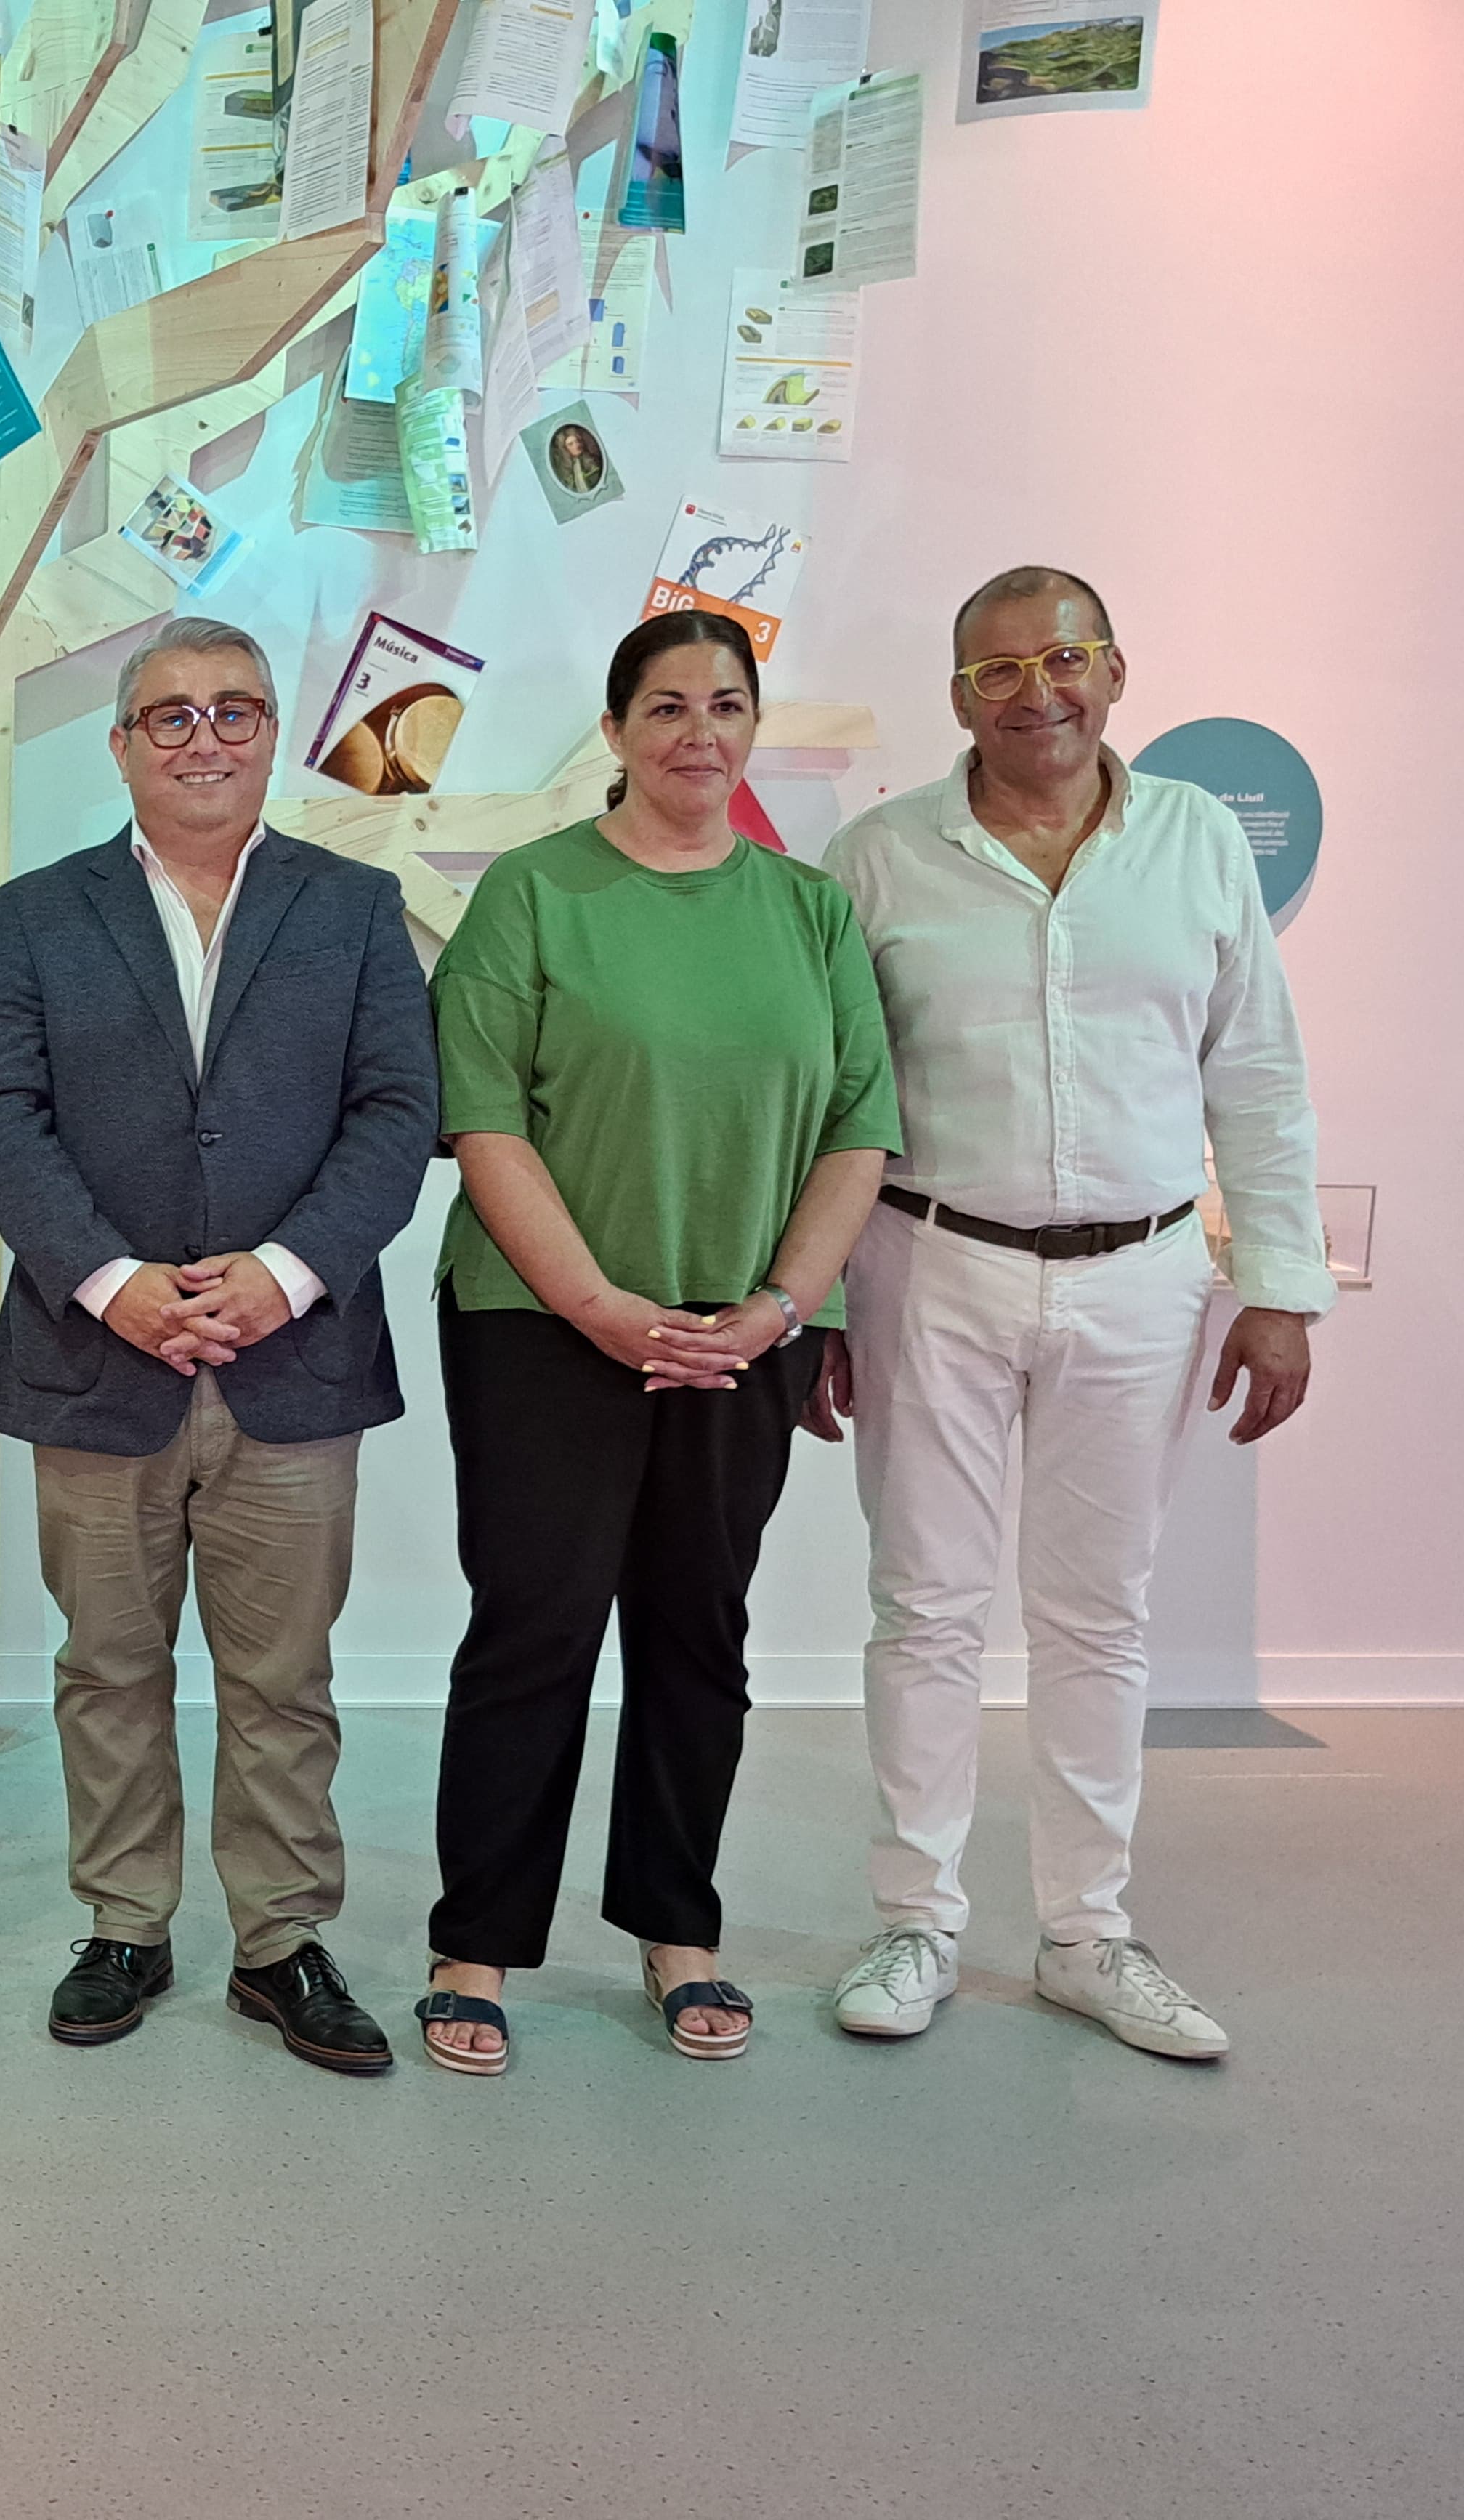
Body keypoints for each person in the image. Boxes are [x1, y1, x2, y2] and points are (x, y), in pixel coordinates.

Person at [812, 568, 1331, 2061]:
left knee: (1100, 1614)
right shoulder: (878, 858)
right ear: (955, 696)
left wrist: (1279, 1289)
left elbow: (1255, 1073)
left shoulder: (1196, 844)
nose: (1033, 692)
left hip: (1143, 1276)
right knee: (923, 1605)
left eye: (1062, 659)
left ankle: (1085, 1934)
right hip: (929, 1265)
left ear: (1113, 671)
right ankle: (916, 1921)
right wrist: (817, 1301)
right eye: (997, 670)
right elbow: (830, 1093)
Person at [417, 611, 897, 2076]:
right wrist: (600, 1308)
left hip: (741, 1333)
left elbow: (858, 1128)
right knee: (534, 1633)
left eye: (726, 705)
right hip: (542, 1325)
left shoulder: (809, 911)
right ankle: (475, 1943)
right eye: (669, 705)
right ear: (617, 731)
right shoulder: (531, 893)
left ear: (752, 728)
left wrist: (779, 1309)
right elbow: (482, 1120)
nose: (701, 732)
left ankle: (677, 1926)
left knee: (699, 1635)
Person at [0, 618, 437, 2074]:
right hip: (94, 1357)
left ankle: (281, 1944)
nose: (203, 737)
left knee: (282, 1678)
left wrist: (284, 1276)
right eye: (169, 715)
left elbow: (398, 1114)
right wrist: (111, 1284)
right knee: (106, 1667)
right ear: (120, 745)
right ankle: (124, 1925)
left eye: (235, 710)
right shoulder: (36, 914)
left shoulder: (355, 908)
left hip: (293, 1361)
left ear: (273, 734)